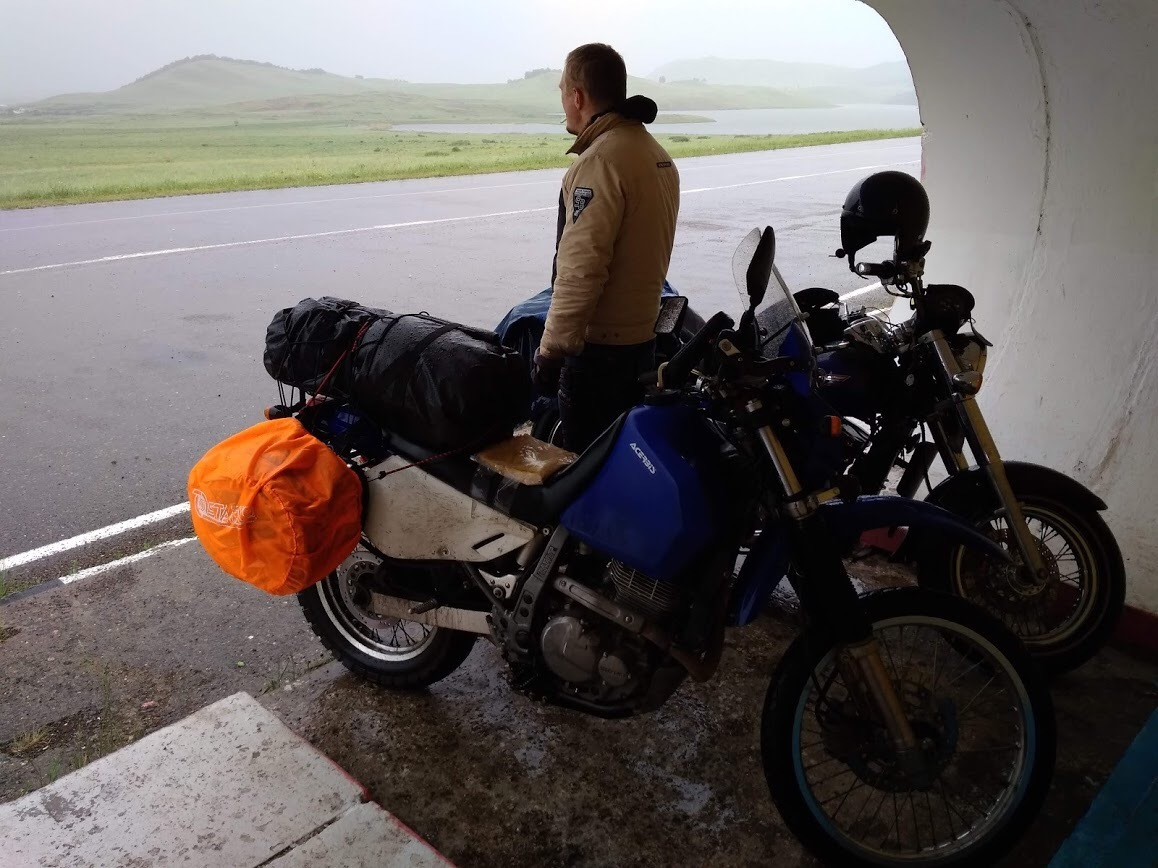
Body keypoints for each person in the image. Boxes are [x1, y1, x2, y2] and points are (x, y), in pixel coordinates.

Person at [530, 43, 680, 453]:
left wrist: (551, 351)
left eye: (563, 93)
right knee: (623, 459)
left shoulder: (600, 162)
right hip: (640, 343)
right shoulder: (654, 153)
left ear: (577, 97)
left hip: (599, 355)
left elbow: (580, 269)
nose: (563, 103)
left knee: (585, 468)